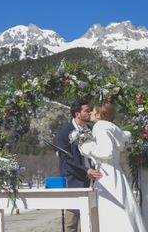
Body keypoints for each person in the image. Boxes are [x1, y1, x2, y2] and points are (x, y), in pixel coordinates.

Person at [79, 103, 147, 232]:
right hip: (116, 171)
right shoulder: (113, 128)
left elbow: (107, 152)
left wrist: (88, 148)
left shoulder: (100, 127)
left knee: (109, 206)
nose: (91, 114)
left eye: (93, 111)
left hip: (106, 174)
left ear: (99, 115)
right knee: (122, 204)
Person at [56, 98, 102, 232]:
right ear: (77, 114)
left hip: (94, 180)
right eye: (86, 110)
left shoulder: (92, 129)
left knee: (92, 220)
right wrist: (86, 171)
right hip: (74, 180)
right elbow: (66, 161)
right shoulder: (65, 133)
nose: (90, 113)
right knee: (72, 223)